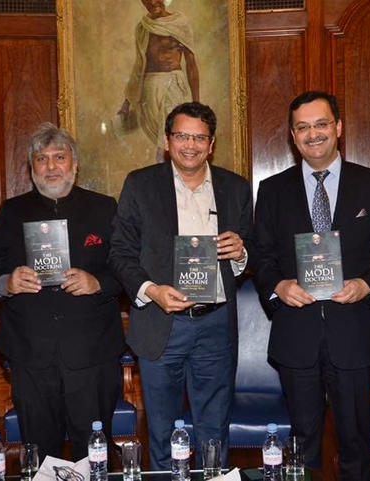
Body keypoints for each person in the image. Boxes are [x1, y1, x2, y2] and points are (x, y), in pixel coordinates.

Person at [252, 91, 370, 481]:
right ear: (293, 136)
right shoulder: (272, 190)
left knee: (355, 442)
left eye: (321, 124)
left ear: (338, 127)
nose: (313, 134)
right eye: (302, 127)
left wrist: (367, 285)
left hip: (353, 332)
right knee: (301, 445)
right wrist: (279, 287)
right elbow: (261, 256)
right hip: (296, 334)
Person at [109, 101, 252, 469]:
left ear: (212, 143)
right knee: (162, 430)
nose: (191, 145)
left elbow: (248, 256)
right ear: (167, 140)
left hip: (216, 324)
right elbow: (120, 253)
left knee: (214, 431)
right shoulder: (140, 185)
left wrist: (240, 253)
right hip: (161, 324)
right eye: (182, 136)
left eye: (199, 138)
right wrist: (152, 291)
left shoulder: (235, 188)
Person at [0, 123, 125, 462]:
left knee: (93, 455)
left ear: (74, 164)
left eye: (59, 157)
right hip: (30, 352)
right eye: (42, 159)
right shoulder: (12, 210)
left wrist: (98, 283)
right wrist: (7, 282)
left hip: (92, 352)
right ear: (32, 168)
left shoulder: (104, 208)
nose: (51, 167)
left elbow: (127, 269)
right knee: (40, 454)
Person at [118, 0, 199, 161]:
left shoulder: (179, 23)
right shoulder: (143, 28)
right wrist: (127, 102)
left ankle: (163, 169)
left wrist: (196, 103)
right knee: (162, 139)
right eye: (147, 0)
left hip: (173, 86)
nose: (153, 2)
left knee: (169, 137)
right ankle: (164, 171)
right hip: (150, 90)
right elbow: (139, 65)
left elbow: (191, 64)